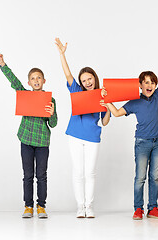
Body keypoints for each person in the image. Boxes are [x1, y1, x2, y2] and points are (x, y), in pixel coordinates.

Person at [103, 49, 158, 220]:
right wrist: (107, 102)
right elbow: (116, 113)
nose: (149, 85)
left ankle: (153, 208)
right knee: (140, 177)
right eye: (146, 82)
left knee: (154, 177)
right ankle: (138, 209)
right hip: (142, 143)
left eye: (152, 82)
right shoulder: (134, 101)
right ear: (140, 85)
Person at [0, 53, 57, 218]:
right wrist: (3, 64)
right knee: (28, 175)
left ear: (44, 81)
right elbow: (14, 82)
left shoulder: (50, 99)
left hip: (43, 142)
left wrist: (51, 114)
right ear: (29, 82)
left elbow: (54, 124)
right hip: (26, 140)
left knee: (41, 175)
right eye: (33, 78)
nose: (36, 80)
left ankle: (41, 206)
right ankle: (28, 206)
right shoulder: (25, 94)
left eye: (39, 78)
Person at [55, 38, 111, 218]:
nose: (87, 82)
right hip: (75, 136)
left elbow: (105, 122)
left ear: (95, 78)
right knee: (78, 172)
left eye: (89, 78)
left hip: (93, 137)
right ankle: (81, 207)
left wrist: (108, 105)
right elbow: (67, 74)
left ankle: (90, 206)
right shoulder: (76, 91)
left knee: (90, 172)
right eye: (84, 80)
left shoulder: (102, 94)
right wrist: (62, 54)